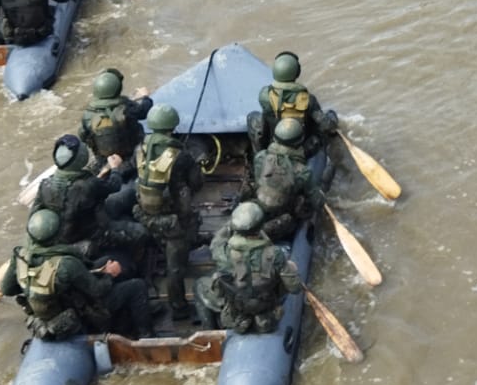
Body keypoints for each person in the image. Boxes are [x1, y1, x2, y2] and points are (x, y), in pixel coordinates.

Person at [0, 208, 150, 341]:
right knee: (137, 287)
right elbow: (98, 290)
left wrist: (36, 284)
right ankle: (146, 335)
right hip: (78, 312)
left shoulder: (20, 256)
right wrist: (110, 274)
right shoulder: (66, 264)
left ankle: (122, 320)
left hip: (54, 308)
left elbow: (7, 289)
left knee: (103, 261)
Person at [133, 103, 201, 321]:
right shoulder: (181, 156)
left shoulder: (141, 148)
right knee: (175, 268)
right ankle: (179, 308)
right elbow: (196, 183)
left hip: (144, 213)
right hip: (173, 222)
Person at [198, 202, 302, 335]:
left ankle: (210, 331)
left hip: (238, 305)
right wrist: (292, 268)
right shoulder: (275, 254)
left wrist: (229, 225)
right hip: (264, 304)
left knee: (200, 285)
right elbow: (295, 288)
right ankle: (261, 317)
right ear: (260, 226)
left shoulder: (223, 252)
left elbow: (216, 242)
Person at [32, 132, 123, 247]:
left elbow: (35, 214)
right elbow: (115, 185)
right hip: (89, 239)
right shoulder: (88, 185)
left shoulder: (45, 184)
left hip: (59, 239)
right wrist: (115, 167)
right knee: (140, 233)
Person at [245, 116, 323, 242]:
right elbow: (317, 201)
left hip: (259, 205)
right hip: (282, 214)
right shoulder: (303, 171)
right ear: (300, 141)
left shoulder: (260, 157)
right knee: (302, 200)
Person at [248, 51, 339, 156]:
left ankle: (259, 154)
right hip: (301, 148)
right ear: (297, 72)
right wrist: (332, 119)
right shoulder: (308, 99)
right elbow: (326, 125)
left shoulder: (264, 95)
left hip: (273, 142)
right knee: (328, 117)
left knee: (252, 117)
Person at [80, 69, 151, 168]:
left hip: (104, 160)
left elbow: (83, 136)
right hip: (131, 155)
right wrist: (146, 97)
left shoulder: (88, 114)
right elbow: (143, 111)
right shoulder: (127, 107)